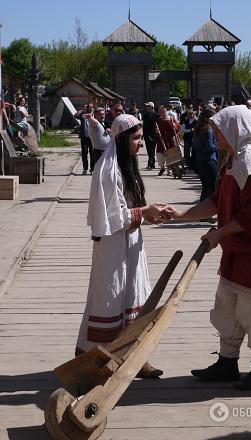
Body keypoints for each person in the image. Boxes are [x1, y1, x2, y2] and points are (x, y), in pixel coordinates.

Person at [164, 105, 251, 390]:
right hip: (239, 252)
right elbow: (215, 201)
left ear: (235, 128)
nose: (215, 133)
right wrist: (179, 214)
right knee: (227, 307)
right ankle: (227, 362)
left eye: (219, 128)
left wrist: (220, 233)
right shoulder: (234, 160)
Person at [75, 114, 169, 378]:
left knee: (136, 296)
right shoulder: (108, 170)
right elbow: (112, 217)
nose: (140, 143)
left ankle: (136, 357)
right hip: (112, 248)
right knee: (111, 298)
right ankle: (100, 360)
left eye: (141, 138)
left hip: (131, 243)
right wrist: (144, 212)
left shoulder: (127, 167)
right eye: (136, 138)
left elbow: (129, 210)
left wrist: (151, 215)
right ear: (122, 138)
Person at [193, 107, 218, 204]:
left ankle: (201, 212)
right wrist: (218, 145)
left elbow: (194, 145)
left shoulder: (198, 128)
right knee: (213, 186)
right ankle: (206, 212)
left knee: (206, 186)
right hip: (209, 160)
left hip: (199, 159)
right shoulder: (209, 129)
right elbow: (210, 147)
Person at [155, 105, 180, 176]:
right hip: (161, 140)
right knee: (159, 155)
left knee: (170, 155)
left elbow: (178, 128)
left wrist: (175, 126)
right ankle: (162, 168)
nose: (161, 112)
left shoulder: (171, 119)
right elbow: (155, 131)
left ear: (166, 111)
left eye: (162, 111)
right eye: (160, 111)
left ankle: (170, 170)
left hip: (170, 140)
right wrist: (156, 131)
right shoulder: (158, 120)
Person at [74, 103, 94, 175]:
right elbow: (75, 115)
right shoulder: (83, 115)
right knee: (84, 153)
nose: (89, 108)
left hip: (92, 138)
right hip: (84, 138)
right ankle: (85, 168)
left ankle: (92, 169)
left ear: (93, 107)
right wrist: (83, 110)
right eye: (88, 107)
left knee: (92, 154)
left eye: (90, 107)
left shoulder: (94, 115)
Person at [142, 102, 158, 170]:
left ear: (151, 107)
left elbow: (157, 125)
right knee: (149, 150)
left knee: (151, 150)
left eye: (148, 106)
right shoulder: (145, 115)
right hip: (146, 134)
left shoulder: (156, 115)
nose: (146, 108)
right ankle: (151, 164)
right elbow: (144, 126)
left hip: (153, 135)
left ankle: (151, 164)